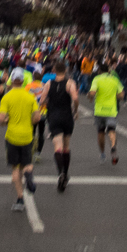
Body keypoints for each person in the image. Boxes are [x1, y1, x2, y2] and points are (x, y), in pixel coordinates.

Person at [0, 68, 40, 212]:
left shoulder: (6, 97)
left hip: (12, 136)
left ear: (12, 80)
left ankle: (20, 199)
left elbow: (1, 119)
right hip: (27, 135)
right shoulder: (30, 97)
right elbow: (37, 117)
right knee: (27, 163)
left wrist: (6, 121)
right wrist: (31, 121)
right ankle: (28, 174)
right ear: (22, 81)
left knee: (15, 168)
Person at [45, 60, 79, 192]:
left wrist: (49, 102)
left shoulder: (49, 83)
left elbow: (42, 99)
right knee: (66, 146)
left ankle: (61, 173)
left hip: (53, 116)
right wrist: (75, 111)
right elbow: (75, 98)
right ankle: (66, 171)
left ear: (54, 71)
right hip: (66, 116)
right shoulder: (70, 83)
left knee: (57, 146)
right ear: (65, 71)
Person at [90, 60, 125, 165]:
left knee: (100, 132)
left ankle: (102, 153)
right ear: (109, 70)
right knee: (111, 130)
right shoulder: (114, 80)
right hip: (111, 110)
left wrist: (91, 97)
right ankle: (113, 146)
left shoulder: (97, 79)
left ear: (99, 70)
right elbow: (121, 95)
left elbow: (92, 93)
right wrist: (114, 95)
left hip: (100, 110)